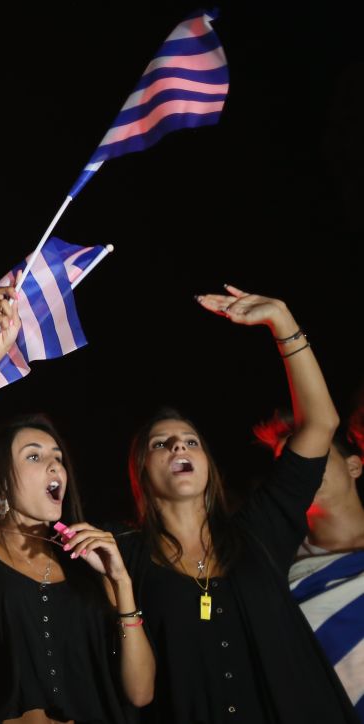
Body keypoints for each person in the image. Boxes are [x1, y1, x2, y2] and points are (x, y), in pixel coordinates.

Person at [0, 279, 154, 723]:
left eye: (58, 458)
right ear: (2, 480)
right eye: (34, 456)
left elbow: (140, 694)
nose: (54, 467)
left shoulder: (90, 565)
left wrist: (121, 585)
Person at [119, 284, 356, 722]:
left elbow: (321, 423)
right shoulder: (124, 559)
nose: (178, 446)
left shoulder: (259, 530)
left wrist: (282, 321)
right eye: (161, 443)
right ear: (141, 472)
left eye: (190, 441)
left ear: (208, 464)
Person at [254, 411, 364, 716]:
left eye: (316, 453)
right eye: (288, 461)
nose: (303, 467)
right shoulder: (277, 574)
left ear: (354, 465)